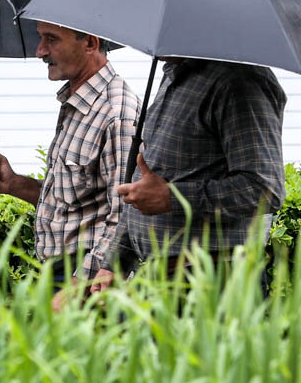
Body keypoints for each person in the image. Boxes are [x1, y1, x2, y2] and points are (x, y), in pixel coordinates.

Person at [0, 21, 140, 310]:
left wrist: (80, 286)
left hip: (90, 283)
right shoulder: (78, 104)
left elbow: (127, 214)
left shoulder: (118, 114)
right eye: (41, 39)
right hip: (61, 274)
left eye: (51, 39)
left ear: (90, 43)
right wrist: (13, 184)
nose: (40, 51)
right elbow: (74, 202)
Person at [96, 57, 287, 291]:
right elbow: (148, 184)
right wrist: (115, 262)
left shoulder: (240, 81)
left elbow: (264, 190)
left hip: (217, 282)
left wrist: (173, 197)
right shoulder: (174, 73)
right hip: (163, 277)